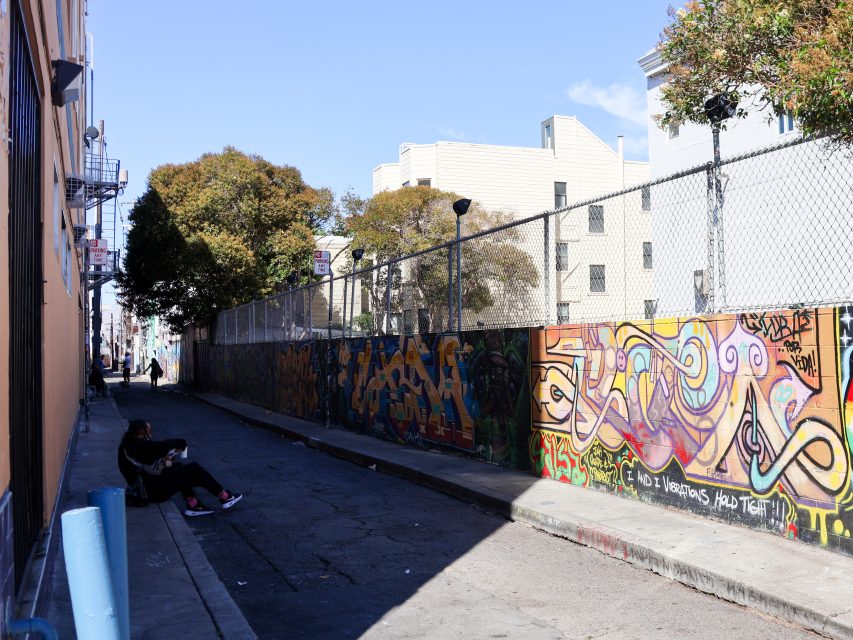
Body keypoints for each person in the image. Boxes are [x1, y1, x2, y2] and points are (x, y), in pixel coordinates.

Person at [117, 419, 242, 516]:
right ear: (141, 431)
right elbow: (162, 446)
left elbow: (149, 460)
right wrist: (181, 443)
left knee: (179, 467)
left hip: (146, 485)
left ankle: (193, 504)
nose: (150, 432)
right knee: (194, 469)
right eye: (148, 430)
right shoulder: (140, 445)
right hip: (152, 492)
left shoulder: (127, 445)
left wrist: (168, 457)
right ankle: (225, 497)